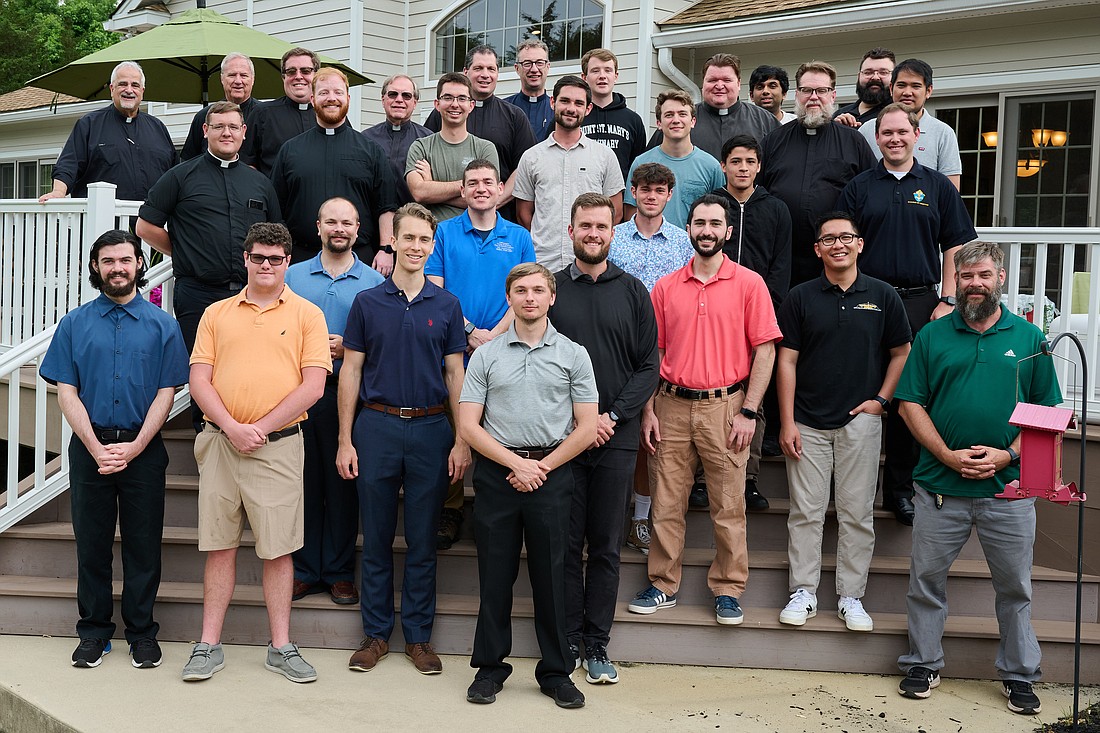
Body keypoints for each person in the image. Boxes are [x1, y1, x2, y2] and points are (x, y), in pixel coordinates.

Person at [894, 240, 1060, 716]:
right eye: (966, 277)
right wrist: (947, 455)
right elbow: (910, 403)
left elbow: (1047, 413)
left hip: (1007, 491)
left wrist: (1008, 455)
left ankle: (1019, 674)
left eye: (983, 275)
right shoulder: (933, 336)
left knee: (1014, 588)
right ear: (956, 282)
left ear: (1000, 278)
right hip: (939, 487)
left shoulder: (1029, 338)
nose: (974, 285)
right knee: (926, 581)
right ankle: (923, 663)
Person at [181, 222, 330, 684]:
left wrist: (259, 429)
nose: (267, 266)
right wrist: (230, 427)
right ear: (245, 259)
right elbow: (199, 380)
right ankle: (208, 644)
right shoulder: (216, 314)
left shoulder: (308, 315)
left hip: (279, 447)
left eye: (276, 259)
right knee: (220, 547)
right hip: (221, 444)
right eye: (258, 257)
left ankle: (281, 647)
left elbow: (314, 385)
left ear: (288, 262)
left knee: (278, 550)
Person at [628, 194, 782, 626]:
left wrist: (750, 410)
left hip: (727, 407)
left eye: (715, 223)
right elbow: (652, 352)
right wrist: (648, 410)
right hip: (670, 405)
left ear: (728, 231)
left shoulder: (749, 284)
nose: (707, 230)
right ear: (689, 228)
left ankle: (729, 588)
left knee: (729, 504)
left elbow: (765, 349)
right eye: (699, 223)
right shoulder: (665, 287)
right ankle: (662, 584)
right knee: (666, 501)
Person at [39, 230, 189, 670]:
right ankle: (94, 632)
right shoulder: (74, 324)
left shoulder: (164, 326)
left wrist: (135, 446)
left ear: (140, 264)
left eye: (126, 260)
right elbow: (67, 391)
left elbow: (167, 393)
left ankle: (142, 633)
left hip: (144, 449)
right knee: (92, 542)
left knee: (144, 545)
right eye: (108, 261)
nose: (118, 268)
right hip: (90, 448)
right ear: (96, 268)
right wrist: (96, 446)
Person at [337, 203, 469, 676]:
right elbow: (350, 369)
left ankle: (418, 637)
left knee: (421, 540)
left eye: (424, 240)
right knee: (374, 537)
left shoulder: (447, 305)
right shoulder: (368, 302)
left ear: (432, 246)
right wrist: (345, 439)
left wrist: (461, 440)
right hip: (377, 426)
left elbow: (455, 373)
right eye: (408, 238)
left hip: (433, 428)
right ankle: (375, 635)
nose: (416, 247)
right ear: (392, 241)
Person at [459, 262, 598, 709]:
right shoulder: (486, 355)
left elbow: (587, 425)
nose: (530, 298)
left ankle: (556, 672)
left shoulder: (574, 354)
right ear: (510, 298)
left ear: (552, 297)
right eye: (521, 291)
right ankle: (490, 668)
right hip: (498, 474)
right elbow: (468, 424)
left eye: (538, 290)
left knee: (554, 577)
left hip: (553, 475)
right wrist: (516, 464)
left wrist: (542, 467)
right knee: (495, 574)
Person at [838, 103, 977, 525]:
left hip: (921, 301)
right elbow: (843, 243)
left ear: (918, 135)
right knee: (859, 390)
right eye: (886, 133)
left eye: (903, 132)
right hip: (868, 298)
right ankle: (847, 494)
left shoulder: (937, 187)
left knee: (907, 397)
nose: (894, 139)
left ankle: (900, 491)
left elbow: (956, 244)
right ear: (876, 138)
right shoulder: (860, 187)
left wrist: (948, 299)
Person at [775, 213, 911, 632]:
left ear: (860, 244)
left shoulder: (884, 295)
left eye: (846, 237)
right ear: (817, 249)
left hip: (861, 422)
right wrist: (787, 421)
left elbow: (902, 353)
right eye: (828, 239)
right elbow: (787, 360)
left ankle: (851, 597)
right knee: (805, 513)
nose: (838, 244)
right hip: (808, 422)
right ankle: (804, 592)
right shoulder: (800, 297)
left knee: (856, 514)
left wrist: (881, 401)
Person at [550, 193, 659, 685]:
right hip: (561, 439)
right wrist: (576, 423)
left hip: (615, 436)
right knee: (565, 544)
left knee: (607, 546)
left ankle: (597, 644)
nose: (593, 234)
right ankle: (568, 638)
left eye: (601, 226)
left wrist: (611, 416)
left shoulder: (634, 291)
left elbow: (648, 366)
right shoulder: (551, 290)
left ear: (613, 232)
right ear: (571, 231)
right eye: (585, 226)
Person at [136, 100, 281, 431]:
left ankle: (246, 436)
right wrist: (184, 252)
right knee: (204, 376)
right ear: (205, 131)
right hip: (198, 296)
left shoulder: (259, 183)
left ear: (244, 133)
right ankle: (208, 444)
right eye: (218, 126)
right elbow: (145, 227)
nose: (226, 132)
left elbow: (275, 236)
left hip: (251, 297)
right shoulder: (180, 177)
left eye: (233, 127)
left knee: (251, 372)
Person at [426, 159, 536, 550]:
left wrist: (494, 336)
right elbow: (436, 291)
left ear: (500, 187)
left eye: (488, 182)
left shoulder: (519, 237)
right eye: (472, 183)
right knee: (456, 428)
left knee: (499, 428)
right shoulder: (444, 233)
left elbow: (527, 292)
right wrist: (471, 332)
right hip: (457, 348)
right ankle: (452, 507)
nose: (481, 188)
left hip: (505, 347)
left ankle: (495, 507)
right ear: (463, 190)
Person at [284, 198, 384, 606]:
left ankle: (341, 572)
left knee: (344, 485)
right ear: (318, 226)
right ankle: (306, 570)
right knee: (303, 484)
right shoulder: (291, 277)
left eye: (347, 222)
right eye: (331, 222)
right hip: (298, 397)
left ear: (358, 229)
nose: (339, 229)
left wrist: (350, 348)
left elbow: (384, 342)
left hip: (349, 397)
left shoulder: (375, 283)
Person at [609, 162, 693, 556]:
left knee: (651, 437)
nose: (651, 196)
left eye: (659, 190)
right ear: (633, 192)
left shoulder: (682, 243)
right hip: (615, 347)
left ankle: (641, 519)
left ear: (669, 195)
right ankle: (608, 516)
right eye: (644, 189)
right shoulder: (613, 238)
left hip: (666, 349)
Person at [713, 133, 793, 510]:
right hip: (713, 314)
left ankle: (749, 477)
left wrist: (768, 309)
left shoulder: (776, 209)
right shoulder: (713, 206)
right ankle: (703, 477)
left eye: (749, 162)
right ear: (724, 165)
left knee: (753, 397)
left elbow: (781, 266)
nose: (742, 168)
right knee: (714, 391)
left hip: (757, 315)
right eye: (735, 161)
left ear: (759, 167)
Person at [759, 60, 877, 287]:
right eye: (806, 90)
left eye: (821, 90)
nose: (814, 97)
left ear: (832, 95)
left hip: (836, 259)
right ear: (797, 94)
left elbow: (870, 198)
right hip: (783, 260)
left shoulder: (853, 141)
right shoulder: (774, 141)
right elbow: (758, 194)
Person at [270, 67, 398, 272]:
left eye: (338, 93)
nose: (331, 98)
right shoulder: (290, 150)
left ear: (347, 97)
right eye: (323, 93)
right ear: (312, 99)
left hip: (359, 259)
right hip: (301, 259)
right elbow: (276, 208)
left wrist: (386, 249)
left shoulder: (371, 150)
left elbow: (386, 206)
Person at [513, 75, 624, 273]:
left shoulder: (605, 156)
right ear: (553, 102)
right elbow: (523, 214)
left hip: (588, 264)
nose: (571, 109)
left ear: (588, 109)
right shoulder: (531, 157)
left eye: (579, 103)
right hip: (543, 262)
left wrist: (591, 242)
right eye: (564, 101)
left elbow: (615, 212)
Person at [424, 45, 537, 217]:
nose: (485, 74)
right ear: (465, 72)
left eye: (491, 69)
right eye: (478, 68)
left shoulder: (514, 116)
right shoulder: (443, 113)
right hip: (444, 218)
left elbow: (524, 167)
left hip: (498, 216)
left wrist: (492, 201)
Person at [40, 61, 175, 203]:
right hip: (100, 219)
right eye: (123, 84)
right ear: (112, 89)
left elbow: (174, 175)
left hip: (150, 221)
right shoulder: (89, 125)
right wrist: (58, 192)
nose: (129, 90)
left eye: (135, 85)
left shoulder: (158, 128)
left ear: (142, 91)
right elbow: (68, 166)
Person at [647, 53, 778, 161]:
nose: (719, 86)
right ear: (703, 84)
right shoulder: (680, 121)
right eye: (712, 80)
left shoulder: (765, 121)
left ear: (738, 83)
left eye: (727, 80)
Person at [624, 90, 725, 229]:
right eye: (669, 115)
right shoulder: (641, 163)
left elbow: (720, 215)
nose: (676, 120)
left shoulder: (711, 166)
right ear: (659, 123)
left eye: (682, 114)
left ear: (693, 121)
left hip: (694, 249)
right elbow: (630, 213)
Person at [406, 73, 499, 222]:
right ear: (437, 104)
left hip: (474, 237)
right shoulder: (421, 147)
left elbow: (488, 200)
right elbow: (418, 192)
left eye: (462, 98)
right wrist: (470, 188)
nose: (455, 104)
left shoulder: (485, 148)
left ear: (471, 105)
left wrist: (431, 187)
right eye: (448, 97)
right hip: (432, 238)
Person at [858, 58, 962, 189]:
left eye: (916, 86)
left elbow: (951, 192)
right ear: (891, 88)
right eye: (901, 85)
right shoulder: (867, 130)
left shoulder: (943, 133)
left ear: (928, 91)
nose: (907, 92)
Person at [240, 47, 318, 176]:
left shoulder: (329, 114)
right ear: (283, 77)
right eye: (291, 72)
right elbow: (246, 163)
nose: (298, 76)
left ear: (316, 75)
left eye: (306, 71)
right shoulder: (262, 114)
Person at [362, 74, 433, 206]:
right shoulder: (365, 139)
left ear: (415, 103)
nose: (399, 100)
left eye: (406, 95)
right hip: (373, 219)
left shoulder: (428, 140)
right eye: (393, 94)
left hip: (414, 220)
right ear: (383, 100)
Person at [579, 48, 648, 181]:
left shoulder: (633, 120)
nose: (602, 76)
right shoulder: (574, 117)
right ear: (584, 77)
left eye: (608, 70)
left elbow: (638, 168)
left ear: (615, 76)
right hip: (579, 196)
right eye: (595, 70)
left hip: (619, 197)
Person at [181, 53, 258, 161]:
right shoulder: (204, 115)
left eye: (244, 75)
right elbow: (188, 161)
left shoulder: (265, 115)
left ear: (252, 79)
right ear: (222, 79)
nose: (238, 81)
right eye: (231, 75)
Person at [504, 39, 553, 141]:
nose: (534, 69)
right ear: (517, 68)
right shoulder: (503, 109)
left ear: (548, 67)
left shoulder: (557, 109)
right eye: (527, 63)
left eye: (540, 63)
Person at [834, 48, 895, 126]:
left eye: (883, 72)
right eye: (868, 72)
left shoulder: (898, 113)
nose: (875, 77)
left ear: (894, 77)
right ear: (859, 76)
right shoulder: (840, 115)